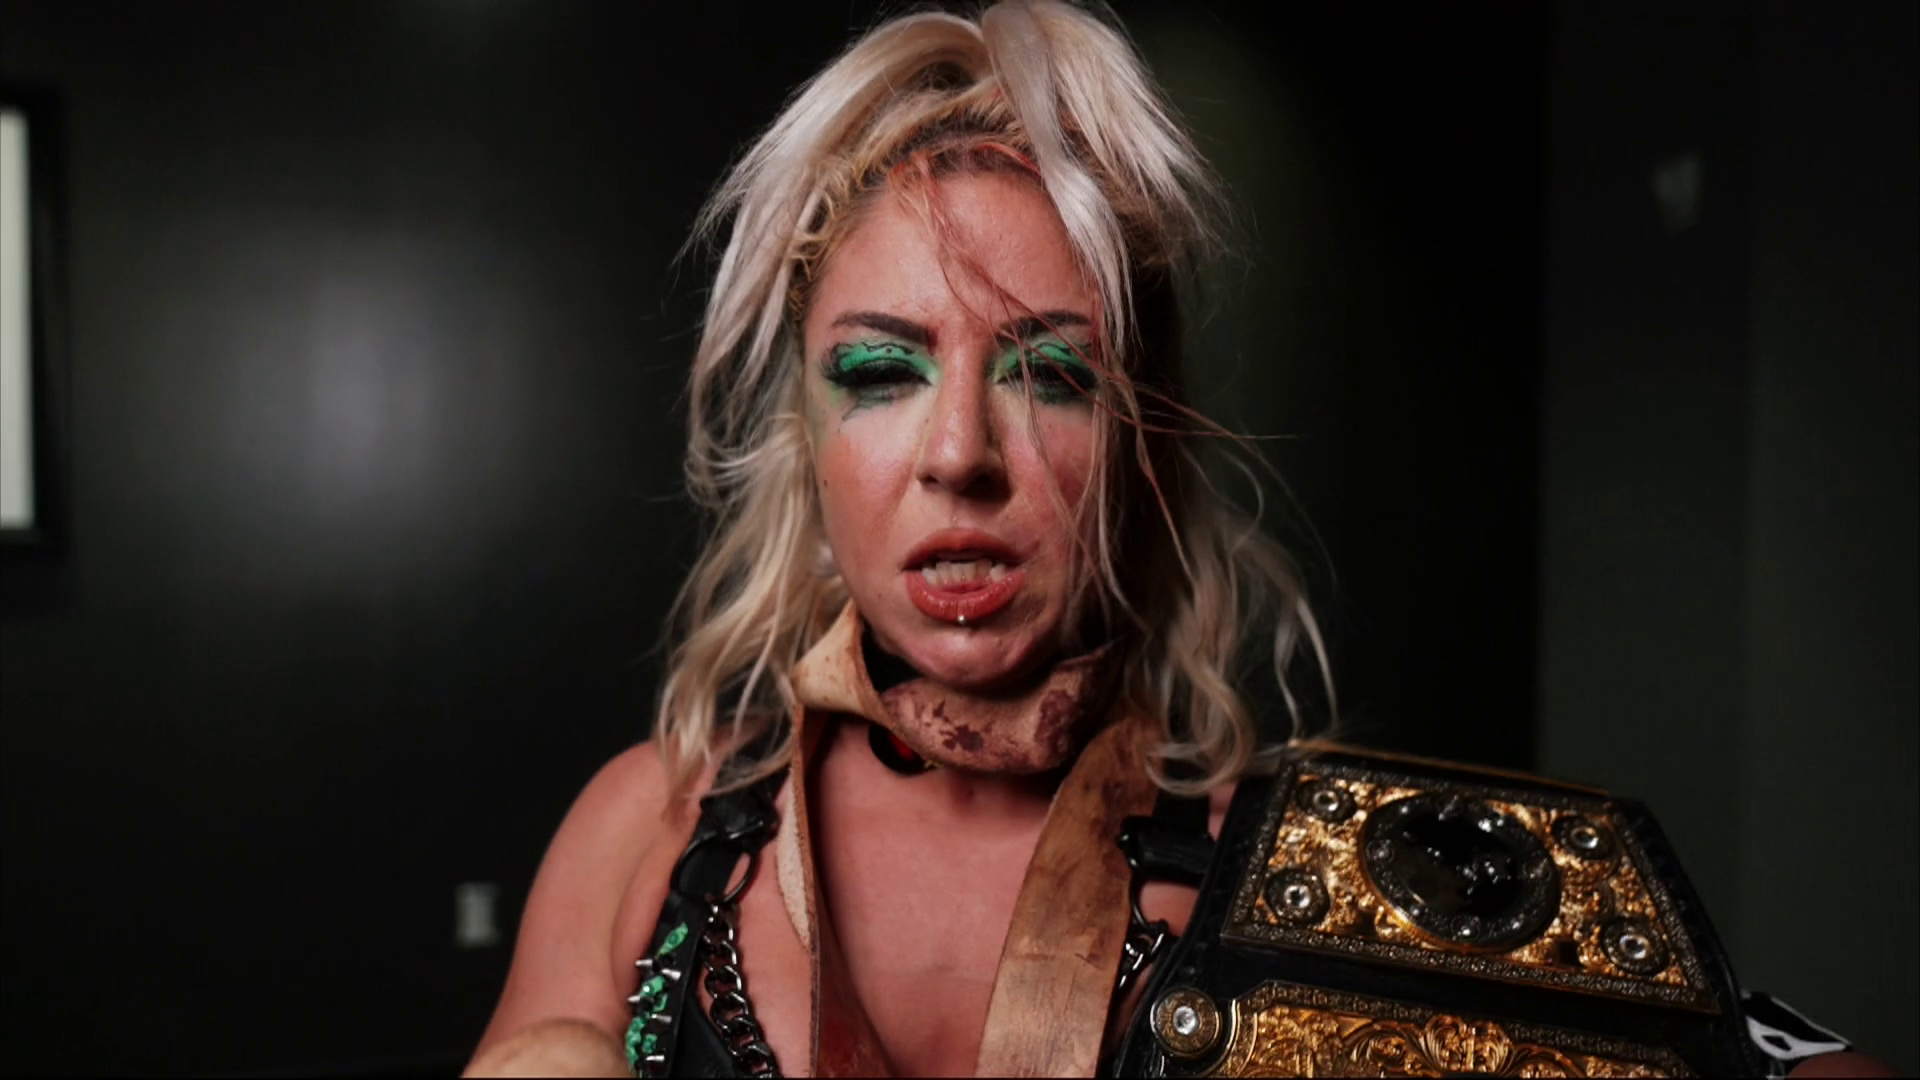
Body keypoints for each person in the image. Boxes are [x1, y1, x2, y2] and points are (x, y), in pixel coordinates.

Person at [464, 3, 1885, 1076]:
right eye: (882, 371)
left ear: (1144, 441)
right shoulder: (648, 832)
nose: (958, 453)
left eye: (1050, 374)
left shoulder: (1318, 872)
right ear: (809, 436)